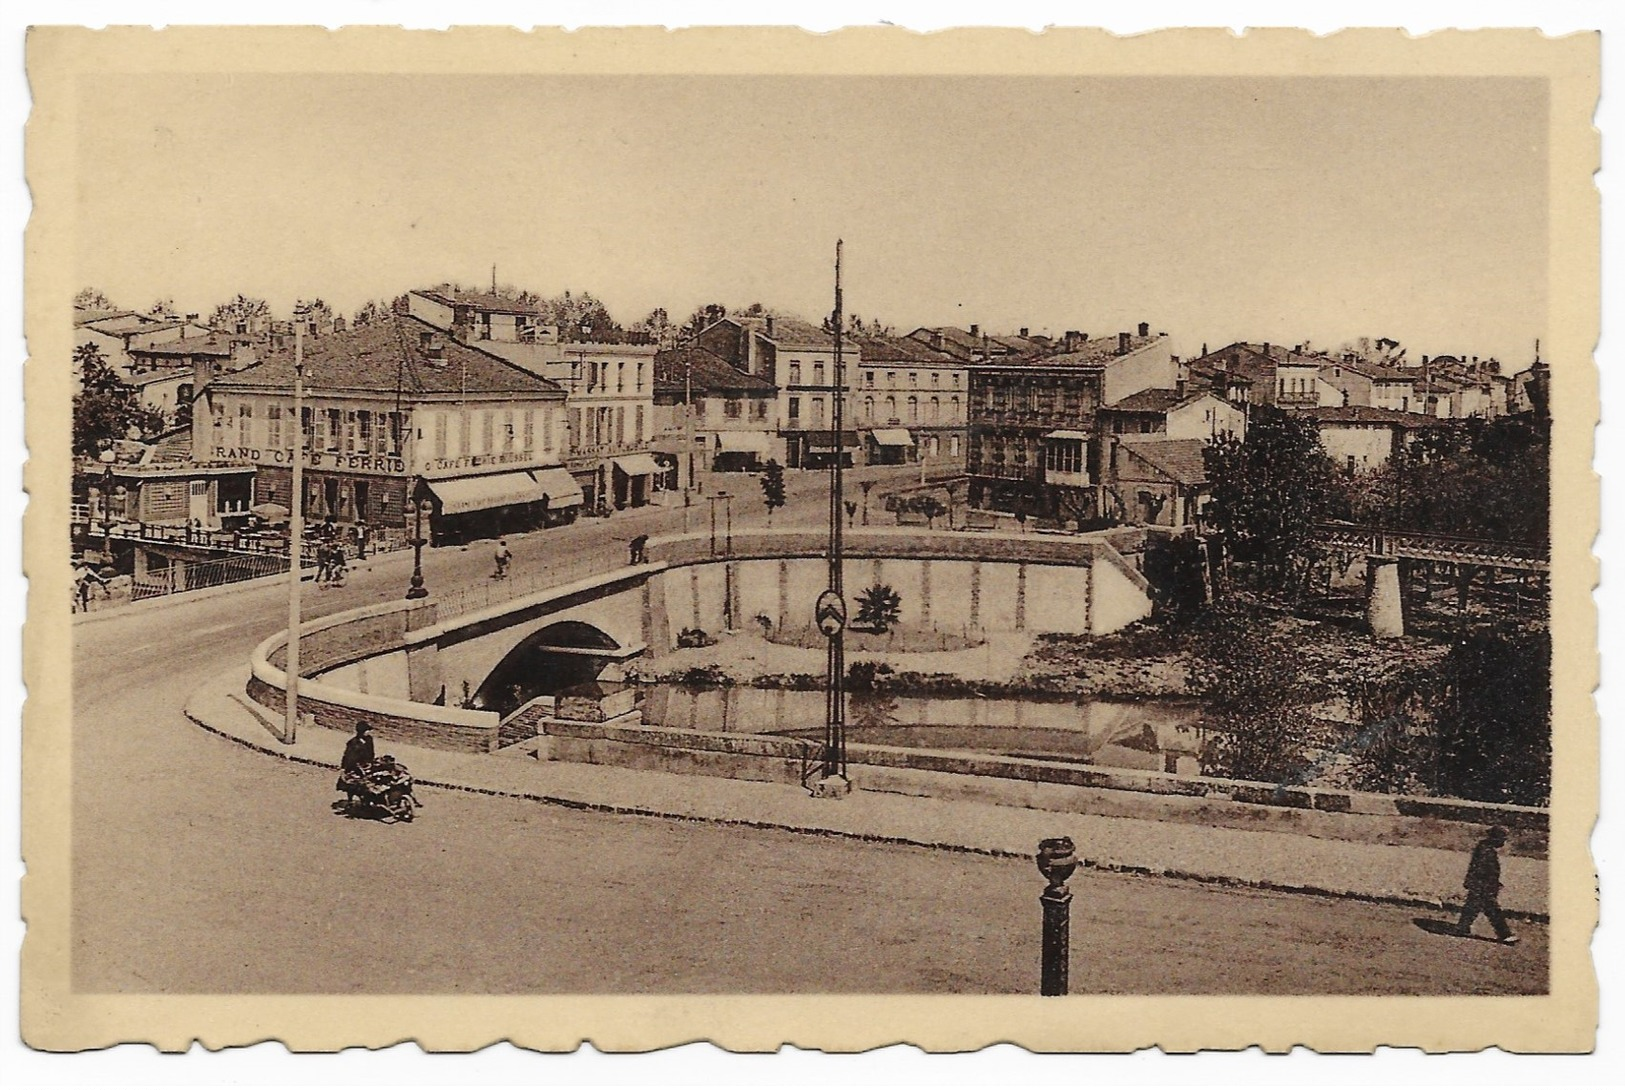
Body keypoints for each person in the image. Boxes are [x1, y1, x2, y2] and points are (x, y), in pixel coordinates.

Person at [1457, 825, 1517, 944]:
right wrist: (1492, 884)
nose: (1503, 842)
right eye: (1502, 839)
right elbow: (1483, 871)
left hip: (1479, 884)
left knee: (1472, 906)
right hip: (1483, 885)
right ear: (1495, 839)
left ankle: (1462, 928)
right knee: (1492, 910)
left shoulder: (1484, 847)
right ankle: (1505, 934)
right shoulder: (1486, 851)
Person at [336, 720, 376, 804]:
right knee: (353, 784)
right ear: (361, 732)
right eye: (367, 730)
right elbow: (347, 756)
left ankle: (366, 800)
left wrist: (371, 761)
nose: (369, 732)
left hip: (366, 764)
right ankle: (350, 800)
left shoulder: (369, 739)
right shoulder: (353, 743)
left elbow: (371, 752)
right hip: (354, 766)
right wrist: (343, 768)